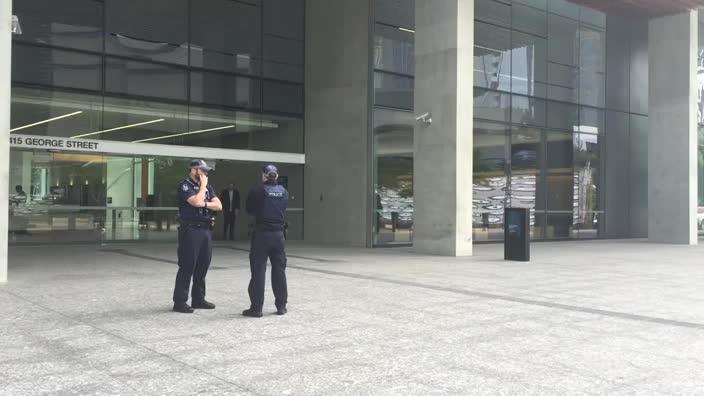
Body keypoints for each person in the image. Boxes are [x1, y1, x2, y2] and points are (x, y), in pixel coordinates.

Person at [172, 159, 223, 314]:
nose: (205, 174)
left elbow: (219, 205)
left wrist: (205, 204)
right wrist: (202, 188)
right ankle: (180, 301)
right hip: (191, 229)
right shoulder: (185, 185)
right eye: (202, 170)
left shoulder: (208, 187)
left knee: (203, 265)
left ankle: (198, 299)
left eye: (206, 171)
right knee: (187, 265)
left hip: (206, 229)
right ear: (194, 170)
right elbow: (195, 201)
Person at [242, 164, 289, 318]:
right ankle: (281, 306)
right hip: (279, 236)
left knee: (258, 270)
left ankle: (257, 308)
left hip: (262, 235)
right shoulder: (283, 191)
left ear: (264, 176)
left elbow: (249, 208)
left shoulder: (258, 190)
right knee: (279, 270)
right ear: (276, 175)